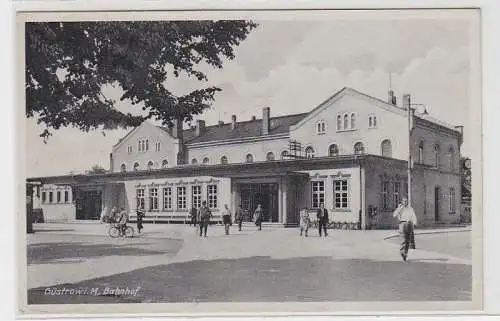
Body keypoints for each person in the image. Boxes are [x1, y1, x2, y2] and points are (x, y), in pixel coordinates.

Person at [393, 196, 417, 261]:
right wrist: (399, 209)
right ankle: (402, 252)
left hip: (409, 224)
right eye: (404, 201)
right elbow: (394, 215)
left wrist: (414, 223)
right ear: (402, 202)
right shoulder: (400, 208)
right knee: (403, 240)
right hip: (402, 224)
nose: (405, 202)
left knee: (407, 241)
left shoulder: (410, 209)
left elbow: (413, 216)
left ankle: (405, 253)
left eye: (406, 201)